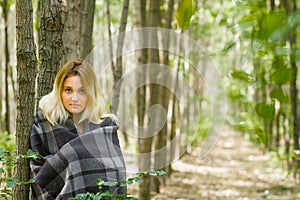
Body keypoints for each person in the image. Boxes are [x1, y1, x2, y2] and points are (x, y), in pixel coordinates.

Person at [30, 59, 126, 199]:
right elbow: (39, 176)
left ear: (91, 93)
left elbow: (118, 175)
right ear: (59, 91)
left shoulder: (106, 127)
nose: (74, 98)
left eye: (82, 91)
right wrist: (74, 155)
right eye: (68, 90)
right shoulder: (44, 124)